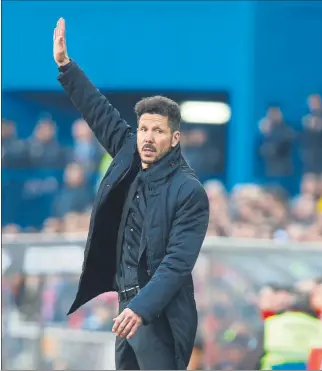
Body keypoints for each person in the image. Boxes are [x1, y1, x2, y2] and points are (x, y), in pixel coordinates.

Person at [53, 18, 210, 370]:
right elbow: (99, 112)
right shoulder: (128, 154)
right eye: (142, 128)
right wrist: (66, 66)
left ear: (174, 138)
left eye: (158, 130)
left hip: (160, 315)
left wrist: (140, 309)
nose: (147, 137)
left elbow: (176, 265)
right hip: (127, 309)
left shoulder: (190, 191)